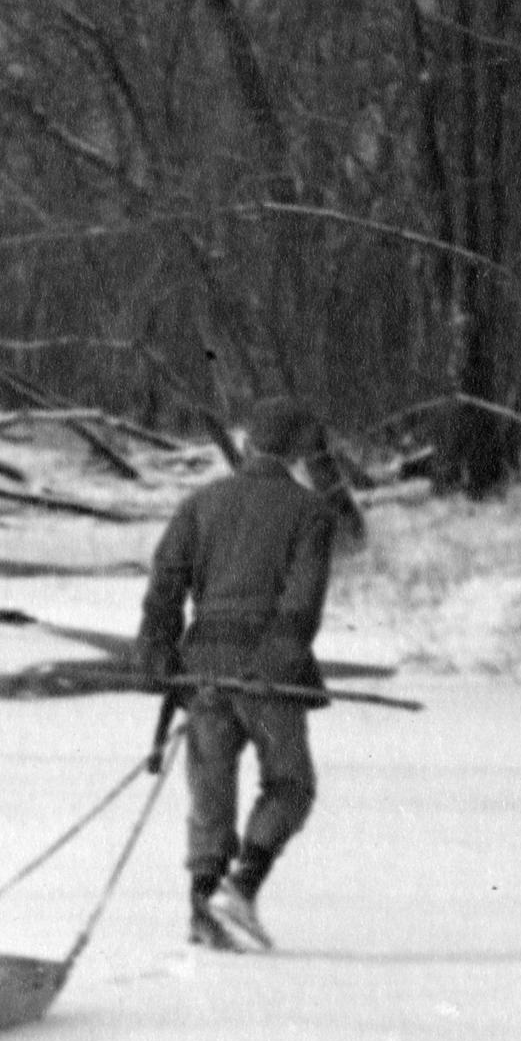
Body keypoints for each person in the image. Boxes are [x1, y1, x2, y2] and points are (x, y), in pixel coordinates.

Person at [136, 395, 339, 952]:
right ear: (298, 451)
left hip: (203, 667)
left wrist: (157, 653)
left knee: (210, 790)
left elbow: (165, 585)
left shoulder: (201, 503)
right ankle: (241, 888)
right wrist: (273, 666)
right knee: (291, 784)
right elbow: (301, 605)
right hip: (270, 674)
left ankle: (204, 911)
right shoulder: (311, 514)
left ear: (247, 442)